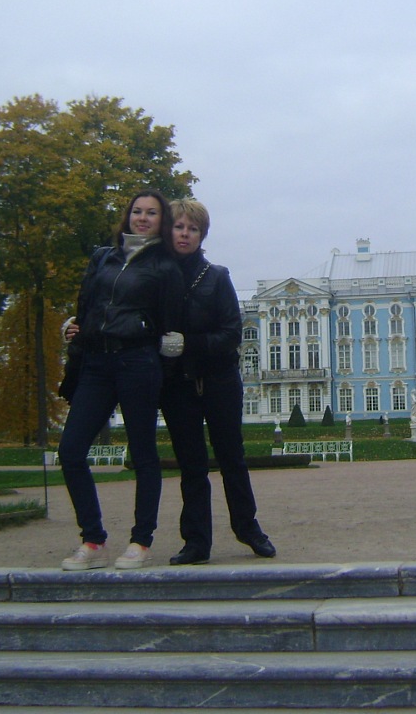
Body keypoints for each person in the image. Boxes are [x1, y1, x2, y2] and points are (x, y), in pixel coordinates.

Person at [58, 190, 185, 571]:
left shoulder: (166, 267)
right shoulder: (103, 257)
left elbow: (170, 323)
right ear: (128, 215)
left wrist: (167, 351)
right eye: (137, 211)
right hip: (97, 363)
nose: (142, 218)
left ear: (161, 221)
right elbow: (87, 305)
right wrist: (74, 326)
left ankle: (140, 541)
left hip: (138, 362)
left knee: (143, 454)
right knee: (70, 450)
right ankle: (93, 539)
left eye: (151, 213)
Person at [159, 198, 275, 564]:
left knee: (232, 458)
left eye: (193, 229)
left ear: (202, 235)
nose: (185, 234)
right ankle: (196, 542)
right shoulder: (156, 277)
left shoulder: (217, 276)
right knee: (191, 464)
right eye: (179, 227)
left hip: (219, 379)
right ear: (168, 231)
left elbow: (231, 334)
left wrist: (189, 343)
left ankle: (248, 528)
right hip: (177, 383)